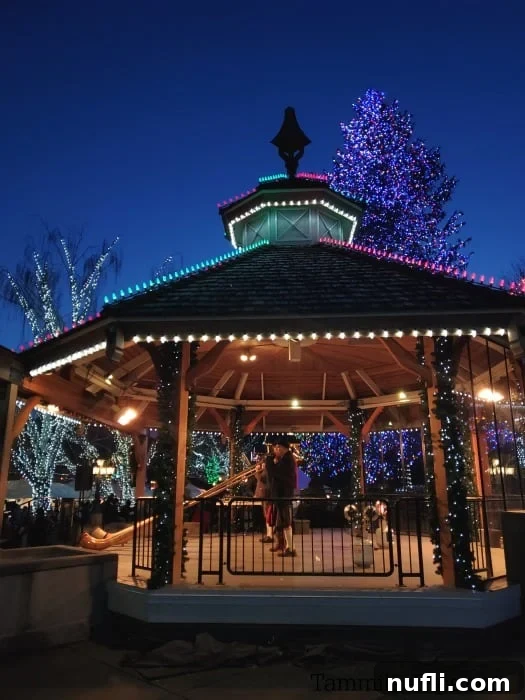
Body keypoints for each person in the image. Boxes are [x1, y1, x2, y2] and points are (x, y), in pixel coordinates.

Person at [266, 437, 297, 557]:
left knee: (285, 521)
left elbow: (274, 473)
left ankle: (290, 548)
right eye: (275, 447)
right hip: (280, 494)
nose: (275, 449)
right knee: (281, 522)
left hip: (283, 494)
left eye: (278, 447)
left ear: (284, 448)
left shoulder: (287, 460)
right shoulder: (284, 459)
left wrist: (269, 462)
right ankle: (285, 545)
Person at [253, 455, 272, 542]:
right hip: (264, 495)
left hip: (267, 495)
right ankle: (269, 534)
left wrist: (257, 472)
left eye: (263, 462)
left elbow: (262, 479)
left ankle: (270, 535)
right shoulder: (266, 470)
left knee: (268, 515)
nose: (262, 464)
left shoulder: (268, 470)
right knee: (267, 515)